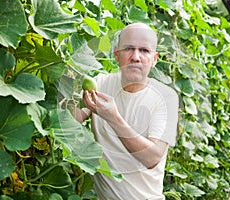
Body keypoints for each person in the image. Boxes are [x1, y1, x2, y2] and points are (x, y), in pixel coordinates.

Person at [75, 22, 179, 200]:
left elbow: (152, 158)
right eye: (129, 49)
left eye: (144, 51)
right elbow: (71, 120)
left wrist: (113, 118)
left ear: (154, 59)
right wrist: (69, 80)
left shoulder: (166, 97)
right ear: (117, 54)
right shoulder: (100, 84)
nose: (136, 57)